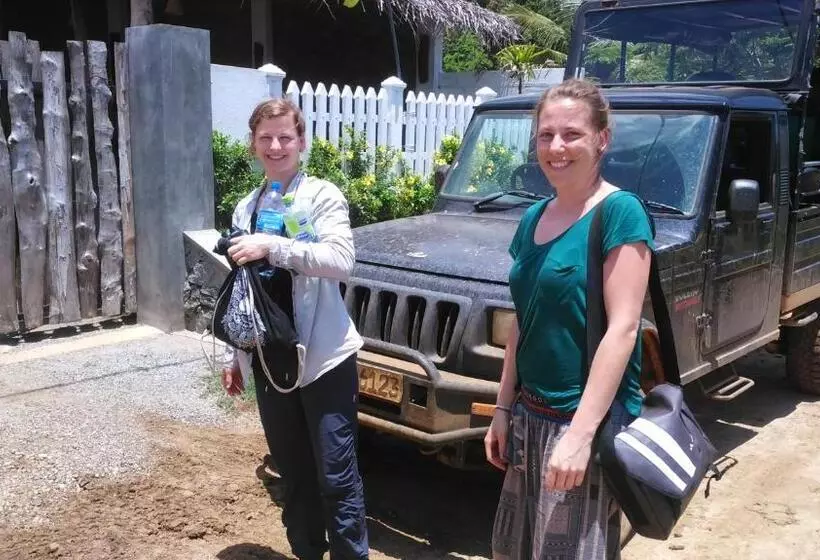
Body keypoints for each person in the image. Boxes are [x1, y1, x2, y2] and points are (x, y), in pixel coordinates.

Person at [485, 79, 654, 559]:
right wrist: (503, 408)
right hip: (530, 416)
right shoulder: (533, 217)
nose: (556, 147)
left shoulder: (620, 213)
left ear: (602, 139)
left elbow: (623, 328)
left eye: (572, 134)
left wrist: (579, 437)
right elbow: (524, 319)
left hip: (583, 421)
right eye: (546, 135)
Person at [222, 98, 368, 560]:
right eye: (265, 138)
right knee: (294, 473)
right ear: (253, 144)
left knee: (336, 475)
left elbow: (341, 261)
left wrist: (273, 246)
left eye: (285, 136)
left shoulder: (321, 196)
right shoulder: (246, 208)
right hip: (273, 362)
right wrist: (235, 356)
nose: (275, 146)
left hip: (324, 358)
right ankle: (306, 551)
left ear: (301, 141)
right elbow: (245, 291)